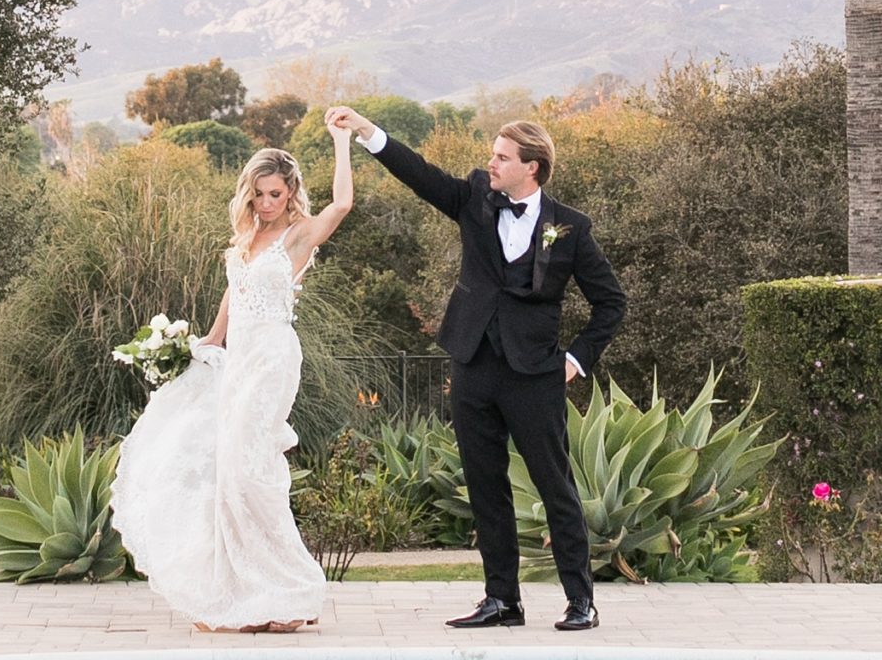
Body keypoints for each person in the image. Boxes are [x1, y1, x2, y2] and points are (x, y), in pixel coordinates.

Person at [331, 105, 625, 633]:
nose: (490, 163)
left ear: (531, 167)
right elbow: (418, 173)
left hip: (535, 376)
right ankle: (502, 601)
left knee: (555, 486)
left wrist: (575, 361)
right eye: (492, 154)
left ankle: (581, 601)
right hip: (472, 367)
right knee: (486, 487)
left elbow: (612, 304)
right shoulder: (473, 198)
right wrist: (366, 132)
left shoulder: (570, 228)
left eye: (501, 156)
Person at [112, 117, 355, 632]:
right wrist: (209, 339)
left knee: (251, 470)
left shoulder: (296, 237)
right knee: (228, 471)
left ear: (290, 194)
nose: (266, 203)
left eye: (275, 194)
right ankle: (241, 592)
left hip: (272, 357)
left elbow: (342, 205)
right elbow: (234, 291)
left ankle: (288, 589)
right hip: (239, 358)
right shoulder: (246, 237)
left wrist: (340, 142)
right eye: (259, 194)